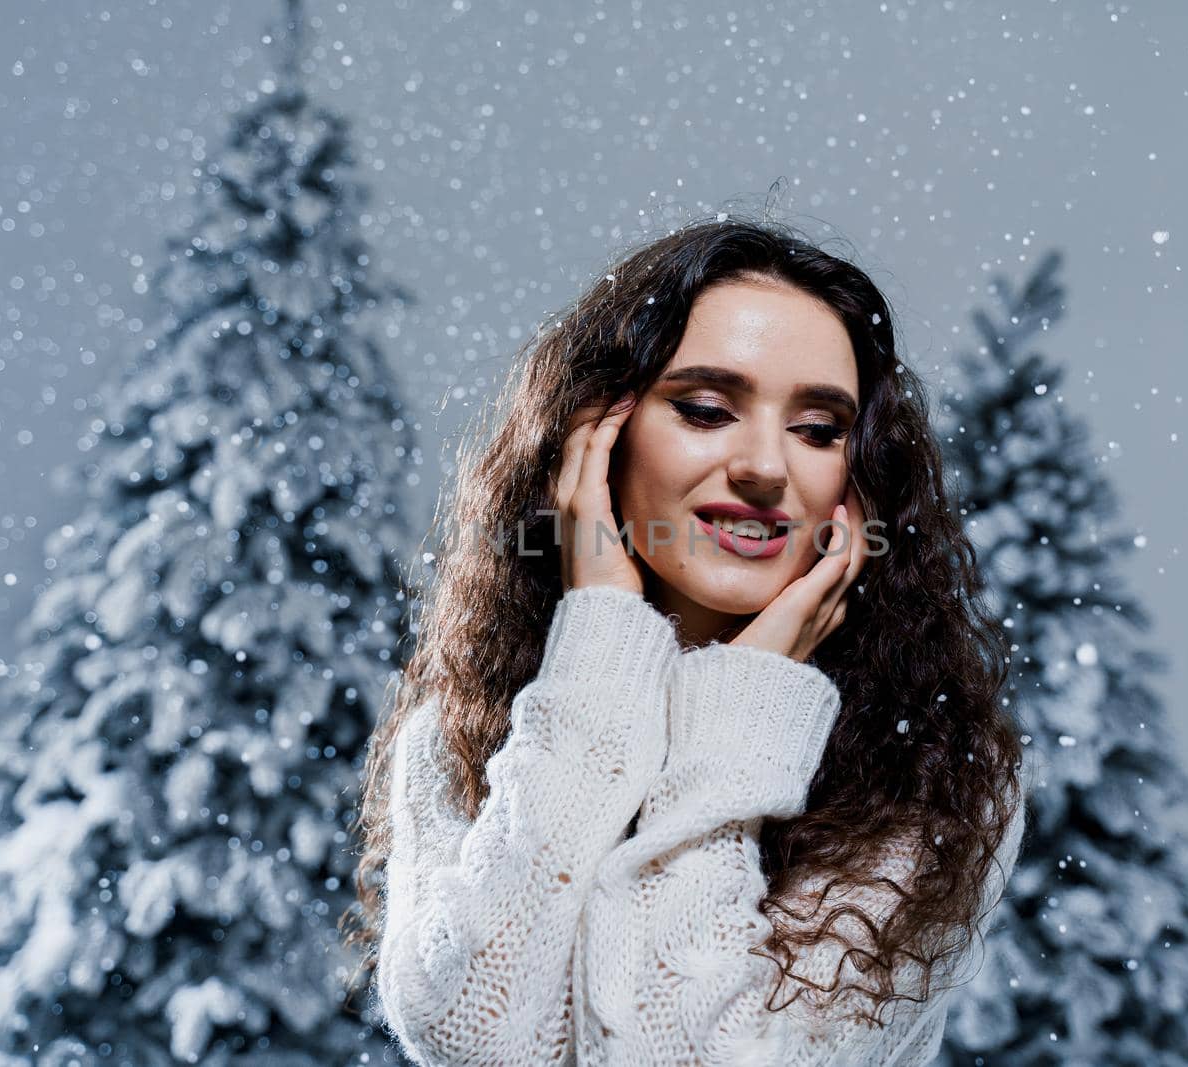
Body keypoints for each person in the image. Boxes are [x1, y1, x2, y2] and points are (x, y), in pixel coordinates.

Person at [349, 214, 1029, 1066]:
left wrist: (748, 706)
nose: (764, 467)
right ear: (595, 439)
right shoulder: (454, 729)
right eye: (707, 409)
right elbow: (472, 1030)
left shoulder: (937, 783)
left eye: (818, 429)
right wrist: (599, 650)